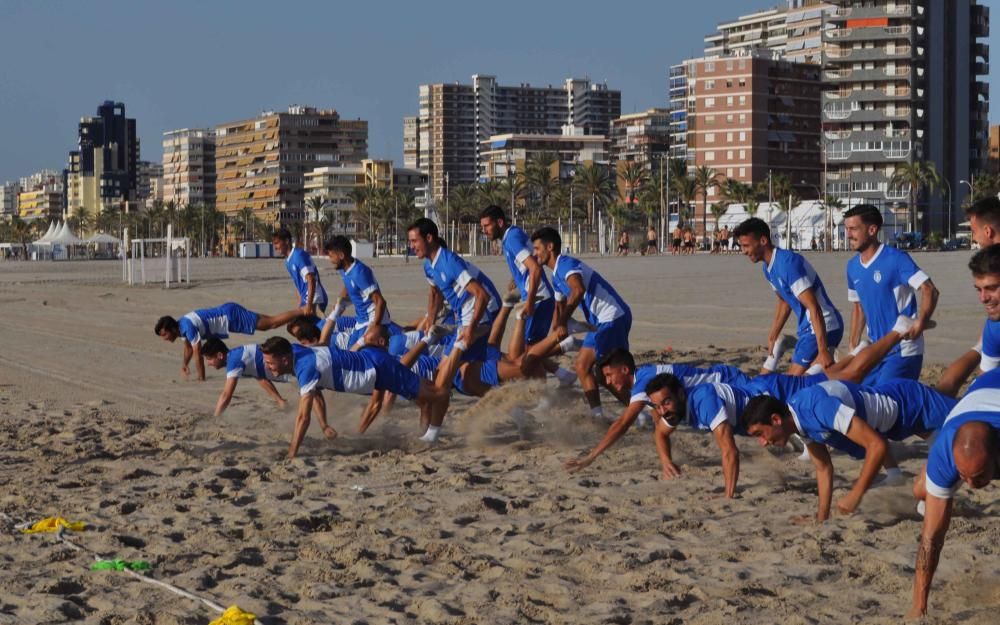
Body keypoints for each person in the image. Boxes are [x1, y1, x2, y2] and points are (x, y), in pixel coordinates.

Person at [641, 323, 919, 497]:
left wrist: (728, 495)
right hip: (761, 393)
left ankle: (895, 332)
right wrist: (665, 461)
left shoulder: (703, 401)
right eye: (658, 406)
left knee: (853, 375)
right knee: (837, 374)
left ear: (679, 394)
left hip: (775, 392)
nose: (663, 411)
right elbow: (661, 433)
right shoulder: (673, 411)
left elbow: (729, 451)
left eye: (666, 403)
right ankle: (855, 352)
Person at [741, 377, 958, 522]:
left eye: (760, 434)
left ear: (776, 419)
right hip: (899, 423)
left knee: (978, 420)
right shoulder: (798, 422)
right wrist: (821, 519)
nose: (762, 442)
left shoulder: (816, 409)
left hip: (912, 403)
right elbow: (824, 468)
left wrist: (856, 494)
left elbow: (877, 445)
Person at [563, 349, 751, 474]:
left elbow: (622, 425)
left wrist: (590, 457)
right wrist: (666, 460)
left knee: (767, 410)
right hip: (721, 385)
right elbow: (659, 426)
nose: (609, 382)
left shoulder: (643, 384)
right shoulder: (645, 378)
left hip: (729, 381)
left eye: (609, 375)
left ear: (625, 369)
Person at [907, 368, 1000, 618]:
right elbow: (931, 539)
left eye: (979, 475)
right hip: (980, 395)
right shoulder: (945, 451)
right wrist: (919, 607)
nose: (970, 485)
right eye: (964, 476)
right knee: (921, 491)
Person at [260, 336, 450, 456]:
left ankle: (450, 360)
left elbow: (303, 417)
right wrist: (325, 424)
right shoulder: (294, 350)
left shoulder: (305, 368)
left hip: (377, 370)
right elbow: (316, 392)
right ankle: (426, 436)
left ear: (284, 359)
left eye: (270, 363)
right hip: (371, 362)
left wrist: (292, 451)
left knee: (437, 395)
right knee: (425, 397)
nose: (267, 367)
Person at [530, 227, 632, 420]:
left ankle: (640, 411)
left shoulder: (566, 264)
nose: (534, 254)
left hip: (613, 318)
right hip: (599, 324)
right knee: (584, 367)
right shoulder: (555, 276)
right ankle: (598, 416)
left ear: (550, 247)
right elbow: (559, 308)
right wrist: (555, 333)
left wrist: (562, 324)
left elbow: (578, 290)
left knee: (603, 373)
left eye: (536, 248)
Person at [407, 218, 502, 426]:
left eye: (415, 241)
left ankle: (432, 433)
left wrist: (470, 329)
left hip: (479, 319)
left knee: (442, 379)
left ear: (429, 238)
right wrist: (430, 320)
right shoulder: (428, 265)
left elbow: (482, 295)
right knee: (468, 381)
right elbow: (435, 292)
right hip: (465, 321)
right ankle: (516, 412)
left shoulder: (449, 261)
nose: (411, 246)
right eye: (410, 241)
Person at [733, 217, 843, 375]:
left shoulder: (787, 263)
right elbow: (784, 302)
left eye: (746, 246)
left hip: (825, 325)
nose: (744, 251)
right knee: (802, 378)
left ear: (763, 240)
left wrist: (823, 350)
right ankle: (791, 345)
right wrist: (773, 335)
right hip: (808, 327)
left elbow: (814, 306)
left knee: (794, 381)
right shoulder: (767, 268)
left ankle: (843, 356)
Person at [843, 204, 939, 384]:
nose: (848, 235)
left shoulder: (896, 258)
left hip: (903, 350)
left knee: (884, 402)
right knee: (858, 396)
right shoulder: (852, 267)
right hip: (874, 350)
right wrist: (853, 346)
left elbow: (929, 289)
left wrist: (920, 323)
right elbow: (858, 307)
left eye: (853, 229)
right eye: (846, 229)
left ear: (872, 230)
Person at [199, 338, 339, 442]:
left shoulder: (234, 361)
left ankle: (325, 426)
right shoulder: (237, 357)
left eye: (209, 359)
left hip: (290, 365)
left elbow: (226, 395)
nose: (208, 364)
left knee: (313, 392)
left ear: (219, 355)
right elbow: (260, 377)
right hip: (285, 367)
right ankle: (325, 427)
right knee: (313, 391)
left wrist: (215, 418)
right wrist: (279, 399)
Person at [155, 303, 304, 381]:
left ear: (172, 329)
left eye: (165, 334)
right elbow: (188, 348)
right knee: (270, 321)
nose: (165, 338)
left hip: (230, 317)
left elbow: (197, 354)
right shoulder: (182, 326)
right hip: (229, 314)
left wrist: (201, 379)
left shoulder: (187, 326)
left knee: (270, 323)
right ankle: (299, 315)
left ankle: (303, 311)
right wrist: (184, 365)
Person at [320, 235, 398, 349]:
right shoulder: (344, 269)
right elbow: (348, 286)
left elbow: (380, 302)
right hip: (360, 321)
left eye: (331, 256)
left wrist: (373, 330)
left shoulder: (360, 272)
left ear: (341, 255)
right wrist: (339, 302)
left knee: (354, 353)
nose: (330, 260)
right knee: (350, 355)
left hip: (373, 320)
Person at [272, 227, 328, 316]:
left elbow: (311, 279)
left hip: (314, 298)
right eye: (274, 244)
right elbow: (298, 285)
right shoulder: (288, 262)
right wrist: (298, 306)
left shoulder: (299, 255)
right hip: (305, 299)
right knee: (296, 326)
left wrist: (309, 305)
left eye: (277, 243)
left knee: (301, 327)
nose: (275, 247)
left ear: (287, 241)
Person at [972, 246, 1000, 373]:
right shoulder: (994, 327)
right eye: (979, 289)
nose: (983, 298)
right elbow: (985, 378)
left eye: (992, 288)